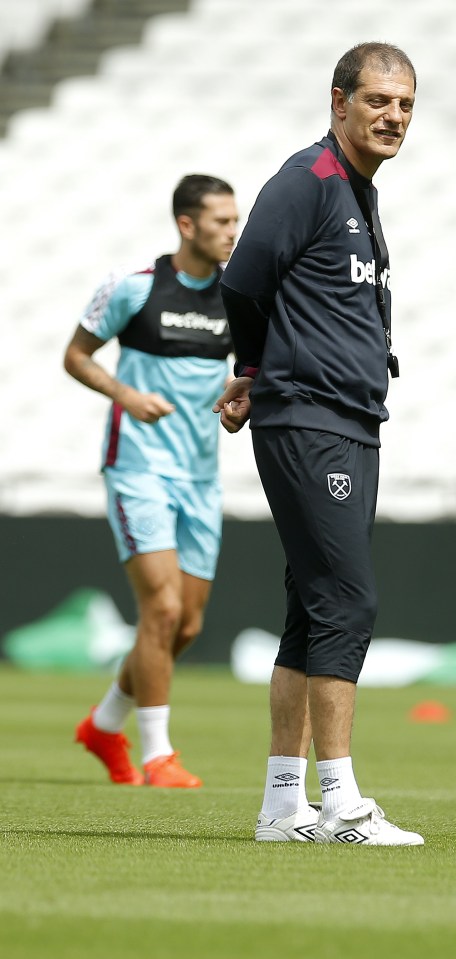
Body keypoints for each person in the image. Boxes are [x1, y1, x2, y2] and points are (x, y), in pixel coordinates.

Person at [214, 43, 423, 844]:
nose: (392, 116)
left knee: (310, 609)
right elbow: (242, 279)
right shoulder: (309, 182)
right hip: (310, 419)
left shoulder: (361, 193)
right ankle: (341, 802)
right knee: (348, 601)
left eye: (404, 105)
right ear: (338, 102)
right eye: (376, 100)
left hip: (348, 420)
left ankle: (280, 804)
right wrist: (255, 367)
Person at [64, 174, 238, 788]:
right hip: (137, 467)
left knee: (185, 625)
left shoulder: (237, 297)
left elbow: (246, 375)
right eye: (221, 221)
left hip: (200, 476)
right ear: (187, 225)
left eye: (235, 220)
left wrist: (238, 403)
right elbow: (77, 356)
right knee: (160, 608)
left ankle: (105, 724)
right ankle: (158, 754)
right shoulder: (134, 289)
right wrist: (126, 394)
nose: (232, 231)